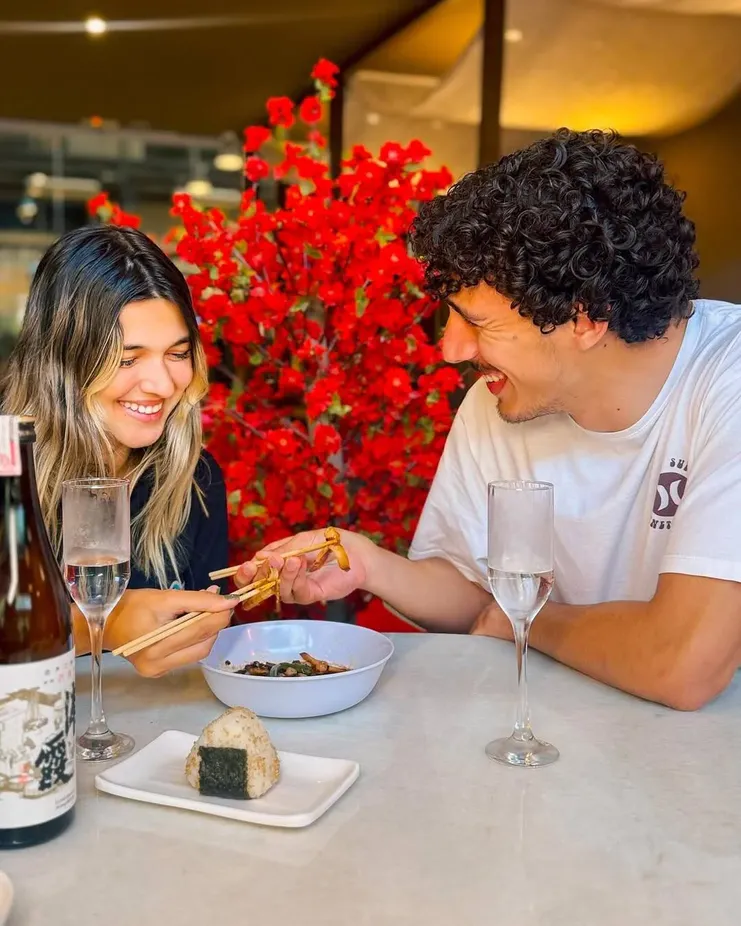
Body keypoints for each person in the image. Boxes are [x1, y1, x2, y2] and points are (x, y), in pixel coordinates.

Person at [236, 128, 741, 711]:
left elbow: (682, 663)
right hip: (551, 726)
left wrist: (525, 622)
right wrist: (366, 562)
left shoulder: (723, 382)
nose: (450, 349)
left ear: (587, 319)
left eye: (477, 323)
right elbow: (472, 591)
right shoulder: (500, 400)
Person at [2, 224, 234, 675]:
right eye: (128, 359)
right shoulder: (9, 466)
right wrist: (106, 627)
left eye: (177, 353)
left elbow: (196, 658)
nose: (163, 385)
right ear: (63, 360)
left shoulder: (195, 480)